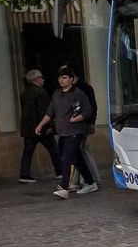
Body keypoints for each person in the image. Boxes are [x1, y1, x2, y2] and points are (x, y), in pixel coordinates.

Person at [36, 66, 98, 200]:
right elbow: (50, 111)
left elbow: (88, 111)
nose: (61, 80)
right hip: (63, 131)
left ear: (71, 79)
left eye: (64, 78)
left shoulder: (78, 93)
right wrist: (41, 124)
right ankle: (90, 182)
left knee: (68, 157)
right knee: (75, 158)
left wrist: (76, 119)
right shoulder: (57, 94)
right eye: (59, 78)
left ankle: (63, 186)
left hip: (75, 130)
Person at [17, 69, 57, 183]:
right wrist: (50, 125)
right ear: (36, 79)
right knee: (54, 149)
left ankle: (24, 174)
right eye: (41, 77)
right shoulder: (41, 92)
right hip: (40, 127)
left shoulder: (25, 93)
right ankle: (60, 171)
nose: (43, 80)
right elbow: (44, 111)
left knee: (28, 151)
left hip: (28, 127)